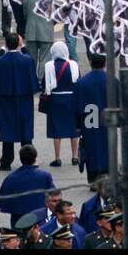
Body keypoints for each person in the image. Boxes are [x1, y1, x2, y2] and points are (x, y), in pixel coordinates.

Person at [0, 31, 39, 169]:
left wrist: (2, 49)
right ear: (18, 43)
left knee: (7, 130)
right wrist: (23, 46)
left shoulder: (0, 61)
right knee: (25, 130)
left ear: (6, 44)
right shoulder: (26, 59)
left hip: (6, 100)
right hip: (24, 99)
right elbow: (31, 60)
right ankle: (30, 159)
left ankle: (6, 161)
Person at [41, 40, 79, 168]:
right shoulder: (73, 65)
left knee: (56, 128)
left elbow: (44, 84)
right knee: (73, 128)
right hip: (71, 98)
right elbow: (78, 81)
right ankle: (75, 156)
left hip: (55, 99)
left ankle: (57, 158)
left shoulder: (49, 66)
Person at [73, 51, 109, 182]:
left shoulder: (81, 83)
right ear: (105, 64)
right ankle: (106, 175)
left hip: (89, 119)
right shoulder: (112, 81)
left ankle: (93, 178)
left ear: (90, 63)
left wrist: (77, 124)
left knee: (91, 148)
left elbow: (76, 105)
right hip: (107, 120)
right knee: (107, 148)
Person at [0, 144, 55, 225]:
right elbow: (54, 197)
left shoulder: (10, 178)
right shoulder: (45, 176)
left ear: (20, 158)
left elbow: (2, 201)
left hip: (18, 220)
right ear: (35, 158)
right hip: (40, 220)